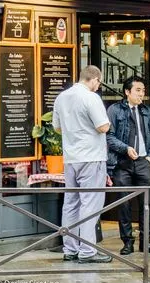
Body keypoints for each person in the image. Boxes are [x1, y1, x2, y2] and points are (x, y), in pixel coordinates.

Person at [53, 65, 112, 263]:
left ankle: (70, 249)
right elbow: (103, 126)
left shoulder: (62, 97)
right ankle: (88, 251)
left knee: (70, 204)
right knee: (90, 204)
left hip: (71, 158)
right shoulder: (91, 97)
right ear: (94, 78)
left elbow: (58, 128)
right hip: (92, 157)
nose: (98, 86)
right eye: (99, 82)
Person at [106, 76, 150, 255]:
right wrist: (126, 148)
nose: (142, 94)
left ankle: (146, 241)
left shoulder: (147, 111)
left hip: (143, 162)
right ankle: (127, 241)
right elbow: (109, 136)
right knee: (124, 203)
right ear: (127, 92)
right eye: (138, 90)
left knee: (147, 203)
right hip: (122, 162)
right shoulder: (115, 110)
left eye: (143, 90)